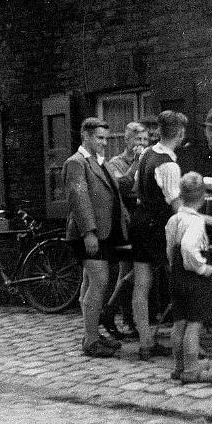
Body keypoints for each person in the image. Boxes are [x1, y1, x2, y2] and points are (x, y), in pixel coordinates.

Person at [63, 117, 129, 358]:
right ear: (86, 137)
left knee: (91, 283)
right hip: (89, 235)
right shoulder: (76, 163)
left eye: (105, 138)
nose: (104, 143)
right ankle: (91, 340)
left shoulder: (99, 163)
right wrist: (89, 232)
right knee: (99, 282)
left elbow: (114, 192)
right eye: (100, 138)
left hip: (104, 233)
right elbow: (79, 200)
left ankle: (90, 334)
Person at [129, 110, 188, 361]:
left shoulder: (145, 154)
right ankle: (183, 342)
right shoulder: (169, 164)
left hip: (140, 221)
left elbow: (135, 187)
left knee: (141, 284)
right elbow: (177, 206)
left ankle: (145, 343)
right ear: (181, 134)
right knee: (179, 281)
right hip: (159, 227)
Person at [165, 172, 212, 384]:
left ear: (181, 195)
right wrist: (202, 268)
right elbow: (188, 248)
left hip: (176, 277)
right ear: (203, 197)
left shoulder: (174, 219)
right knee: (194, 324)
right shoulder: (196, 222)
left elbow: (170, 249)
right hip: (193, 278)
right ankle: (192, 370)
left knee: (179, 323)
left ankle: (179, 366)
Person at [102, 121, 147, 340]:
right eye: (137, 139)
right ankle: (123, 317)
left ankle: (127, 319)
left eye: (145, 140)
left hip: (139, 223)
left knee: (137, 272)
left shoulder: (146, 160)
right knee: (125, 270)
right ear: (127, 140)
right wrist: (137, 163)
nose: (141, 144)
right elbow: (122, 186)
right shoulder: (115, 163)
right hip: (123, 223)